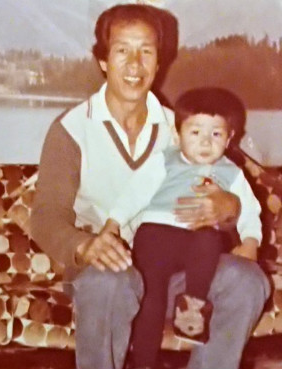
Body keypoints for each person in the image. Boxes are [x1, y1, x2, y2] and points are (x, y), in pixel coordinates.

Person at [30, 4, 270, 369]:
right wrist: (85, 245)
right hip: (105, 271)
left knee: (247, 281)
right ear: (103, 61)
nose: (135, 64)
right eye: (122, 50)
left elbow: (230, 189)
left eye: (147, 51)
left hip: (178, 268)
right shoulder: (71, 129)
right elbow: (46, 217)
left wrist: (230, 210)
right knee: (110, 282)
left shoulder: (184, 129)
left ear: (159, 63)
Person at [99, 88, 261, 366]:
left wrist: (250, 241)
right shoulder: (165, 160)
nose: (205, 143)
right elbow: (134, 194)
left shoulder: (232, 173)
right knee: (152, 299)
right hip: (156, 237)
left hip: (195, 243)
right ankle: (143, 364)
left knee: (208, 238)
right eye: (195, 132)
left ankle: (193, 306)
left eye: (216, 134)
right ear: (178, 134)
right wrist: (112, 223)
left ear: (230, 138)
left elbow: (249, 210)